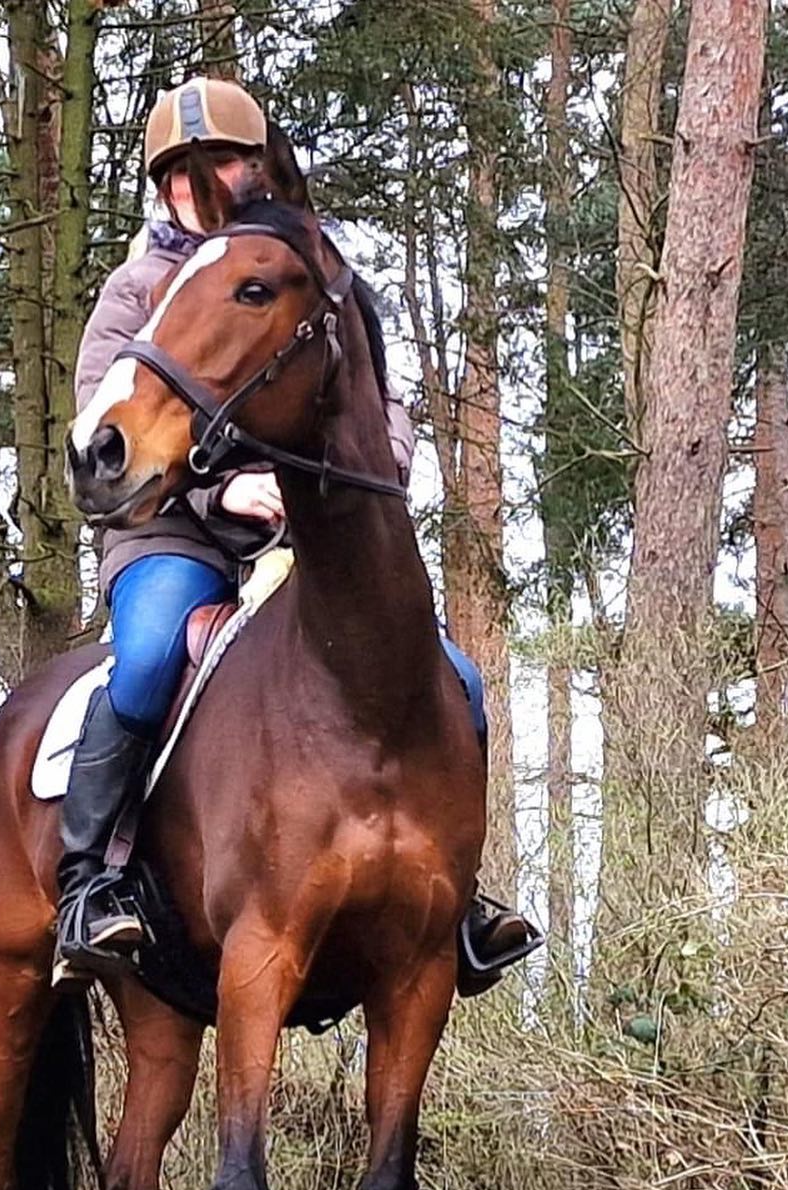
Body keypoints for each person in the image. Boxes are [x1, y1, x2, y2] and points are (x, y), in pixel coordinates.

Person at [55, 75, 537, 988]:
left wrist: (367, 472)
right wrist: (221, 497)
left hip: (304, 540)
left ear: (259, 169)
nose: (202, 184)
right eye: (177, 174)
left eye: (224, 162)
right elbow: (105, 427)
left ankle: (457, 892)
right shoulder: (134, 292)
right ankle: (93, 881)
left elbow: (376, 406)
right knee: (153, 654)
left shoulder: (316, 273)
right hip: (177, 541)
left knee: (456, 677)